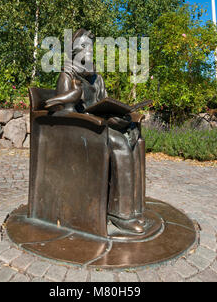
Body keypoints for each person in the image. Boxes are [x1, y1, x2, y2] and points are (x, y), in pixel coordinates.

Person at [45, 29, 147, 234]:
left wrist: (121, 118)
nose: (88, 51)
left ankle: (134, 206)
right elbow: (63, 114)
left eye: (90, 47)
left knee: (134, 137)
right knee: (119, 143)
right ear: (73, 51)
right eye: (83, 47)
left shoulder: (96, 79)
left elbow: (103, 104)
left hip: (99, 125)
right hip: (80, 131)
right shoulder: (67, 76)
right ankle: (120, 214)